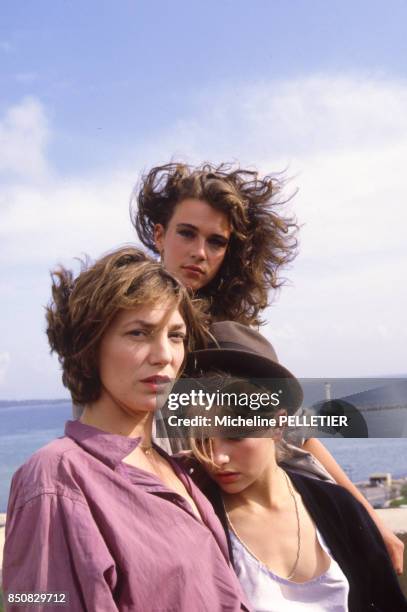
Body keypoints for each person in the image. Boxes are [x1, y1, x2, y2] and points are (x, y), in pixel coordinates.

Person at [131, 161, 404, 573]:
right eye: (186, 233)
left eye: (216, 242)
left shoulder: (227, 340)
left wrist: (366, 516)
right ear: (159, 234)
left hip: (251, 526)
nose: (199, 252)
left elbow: (295, 435)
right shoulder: (125, 328)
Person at [2, 248, 250, 611]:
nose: (164, 354)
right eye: (139, 333)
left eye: (176, 336)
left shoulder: (180, 469)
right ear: (90, 346)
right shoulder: (55, 479)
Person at [183, 321, 407, 612]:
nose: (218, 458)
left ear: (278, 425)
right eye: (203, 440)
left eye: (235, 435)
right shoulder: (198, 520)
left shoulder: (338, 507)